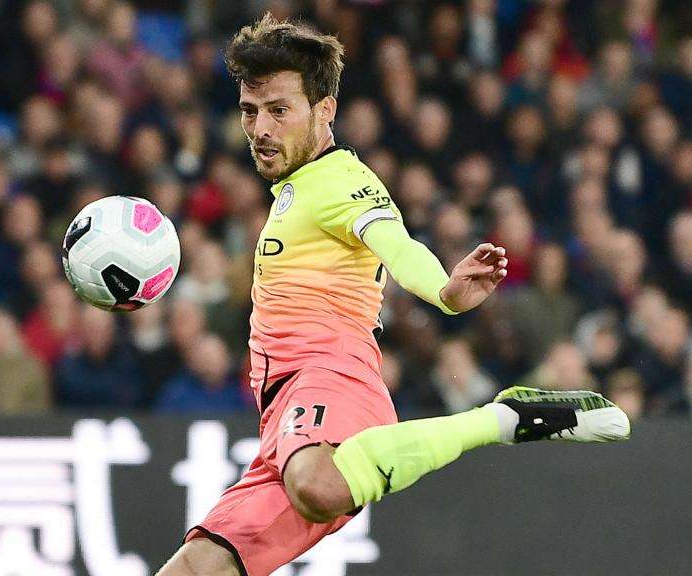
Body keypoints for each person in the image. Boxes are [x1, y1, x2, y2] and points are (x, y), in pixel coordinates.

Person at [157, 15, 630, 576]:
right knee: (195, 569)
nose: (260, 128)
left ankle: (502, 419)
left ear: (325, 110)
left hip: (331, 376)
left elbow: (395, 243)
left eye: (279, 110)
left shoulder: (340, 180)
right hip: (283, 419)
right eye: (249, 111)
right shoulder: (295, 188)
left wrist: (444, 293)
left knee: (318, 485)